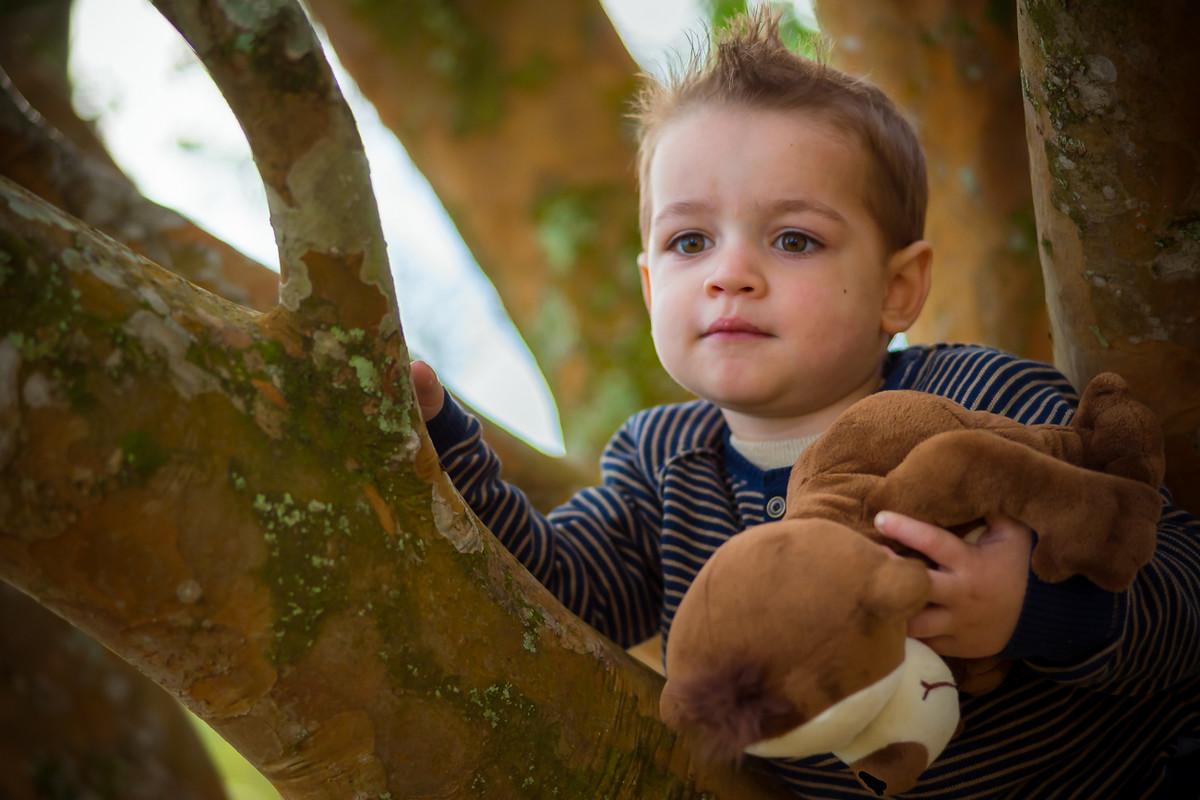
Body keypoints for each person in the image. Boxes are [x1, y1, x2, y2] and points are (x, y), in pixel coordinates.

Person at [407, 8, 1200, 798]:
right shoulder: (661, 466)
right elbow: (561, 596)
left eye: (793, 240)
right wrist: (444, 444)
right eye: (690, 242)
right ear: (651, 284)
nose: (730, 274)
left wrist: (1037, 609)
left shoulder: (984, 401)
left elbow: (1184, 585)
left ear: (899, 287)